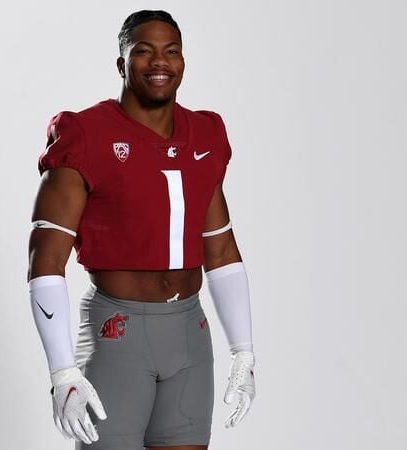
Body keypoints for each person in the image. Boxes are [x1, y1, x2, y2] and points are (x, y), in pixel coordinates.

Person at [27, 10, 256, 450]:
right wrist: (61, 371)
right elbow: (46, 260)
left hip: (190, 331)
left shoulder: (206, 133)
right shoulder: (87, 134)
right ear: (122, 63)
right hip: (118, 331)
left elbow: (221, 248)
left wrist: (243, 350)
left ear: (184, 61)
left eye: (171, 51)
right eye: (144, 51)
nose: (159, 62)